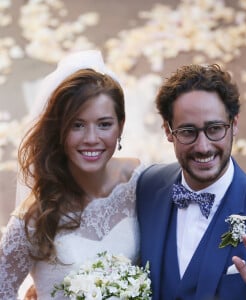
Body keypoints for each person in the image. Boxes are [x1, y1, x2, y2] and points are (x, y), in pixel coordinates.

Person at [136, 63, 246, 300]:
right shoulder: (148, 186)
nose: (203, 147)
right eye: (188, 131)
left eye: (215, 129)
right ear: (168, 130)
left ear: (234, 125)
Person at [0, 50, 143, 299]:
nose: (91, 139)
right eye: (77, 125)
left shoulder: (139, 181)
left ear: (120, 125)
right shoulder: (33, 216)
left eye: (104, 124)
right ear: (60, 130)